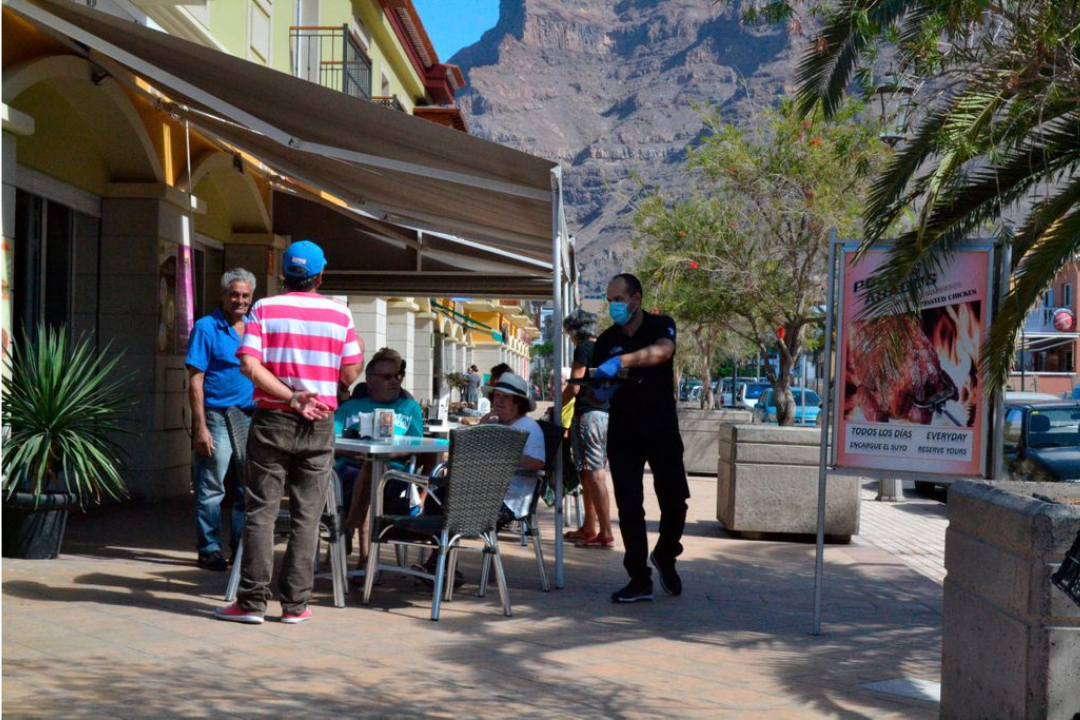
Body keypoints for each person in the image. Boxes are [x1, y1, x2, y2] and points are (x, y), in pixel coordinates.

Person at [214, 240, 364, 625]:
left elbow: (249, 365)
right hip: (320, 423)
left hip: (273, 419)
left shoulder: (264, 309)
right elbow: (348, 374)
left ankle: (251, 604)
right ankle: (295, 605)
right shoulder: (340, 315)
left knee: (261, 513)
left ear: (284, 274)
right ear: (320, 275)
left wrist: (292, 397)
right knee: (307, 516)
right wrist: (357, 350)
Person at [592, 272, 689, 603]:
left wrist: (622, 361)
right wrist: (601, 389)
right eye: (609, 301)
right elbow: (595, 391)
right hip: (623, 431)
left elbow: (662, 352)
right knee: (630, 505)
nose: (613, 307)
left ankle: (666, 553)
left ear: (636, 299)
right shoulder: (605, 340)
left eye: (617, 300)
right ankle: (638, 577)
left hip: (661, 427)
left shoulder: (661, 325)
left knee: (675, 499)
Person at [186, 269, 256, 571]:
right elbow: (195, 379)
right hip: (217, 416)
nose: (239, 300)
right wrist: (200, 425)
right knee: (212, 486)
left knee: (247, 488)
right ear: (223, 295)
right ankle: (209, 548)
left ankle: (240, 546)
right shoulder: (205, 327)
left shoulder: (255, 327)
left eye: (245, 295)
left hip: (251, 416)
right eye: (234, 294)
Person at [334, 348, 425, 566]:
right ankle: (365, 557)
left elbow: (419, 446)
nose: (394, 381)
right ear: (370, 380)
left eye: (397, 376)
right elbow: (328, 441)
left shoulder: (409, 408)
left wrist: (390, 454)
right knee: (367, 474)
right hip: (347, 473)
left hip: (392, 475)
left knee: (373, 474)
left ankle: (351, 531)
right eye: (386, 377)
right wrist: (350, 451)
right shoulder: (349, 408)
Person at [562, 308, 614, 549]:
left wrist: (555, 408)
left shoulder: (584, 348)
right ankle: (589, 527)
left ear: (576, 330)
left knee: (594, 474)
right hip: (605, 414)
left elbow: (574, 385)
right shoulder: (606, 346)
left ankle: (605, 531)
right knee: (589, 473)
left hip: (588, 415)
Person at [481, 372, 545, 523]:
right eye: (497, 395)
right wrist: (480, 427)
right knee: (439, 494)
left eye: (506, 397)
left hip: (508, 501)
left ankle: (443, 540)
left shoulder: (529, 427)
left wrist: (503, 458)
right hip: (485, 491)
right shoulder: (495, 425)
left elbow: (538, 461)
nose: (499, 401)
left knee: (448, 498)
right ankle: (438, 539)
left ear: (518, 403)